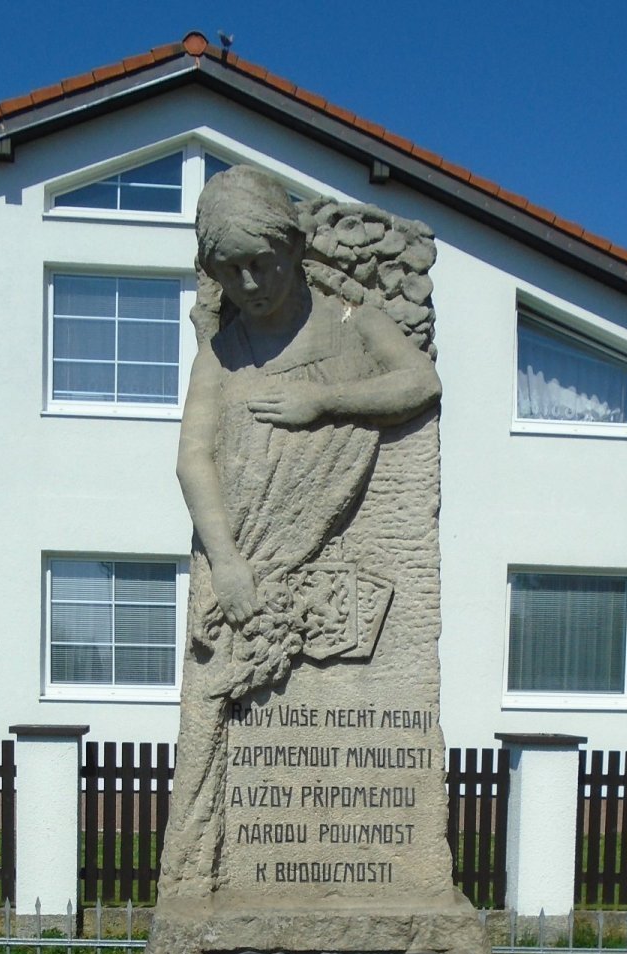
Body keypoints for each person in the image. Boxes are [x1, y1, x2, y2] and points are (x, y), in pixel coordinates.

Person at [161, 165, 441, 886]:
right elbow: (193, 459)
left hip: (312, 541)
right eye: (230, 269)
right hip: (245, 558)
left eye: (261, 263)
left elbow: (418, 383)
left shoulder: (353, 322)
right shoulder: (222, 353)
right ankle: (199, 877)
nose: (249, 283)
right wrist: (226, 563)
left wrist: (328, 403)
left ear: (292, 250)